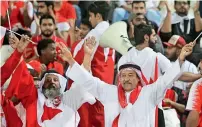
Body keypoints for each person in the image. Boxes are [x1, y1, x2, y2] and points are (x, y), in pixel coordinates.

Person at [57, 32, 195, 127]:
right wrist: (70, 60)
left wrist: (181, 58)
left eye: (130, 75)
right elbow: (88, 81)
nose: (126, 79)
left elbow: (167, 79)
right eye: (123, 75)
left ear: (138, 78)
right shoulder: (110, 92)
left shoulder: (149, 93)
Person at [2, 36, 96, 127]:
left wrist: (87, 55)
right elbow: (23, 73)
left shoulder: (68, 99)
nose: (52, 82)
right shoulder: (34, 98)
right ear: (42, 85)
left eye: (55, 80)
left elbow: (83, 81)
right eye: (48, 80)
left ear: (61, 85)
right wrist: (19, 52)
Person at [70, 1, 115, 126]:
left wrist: (75, 41)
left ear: (98, 16)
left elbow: (77, 57)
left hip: (93, 81)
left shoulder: (95, 33)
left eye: (91, 16)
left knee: (89, 120)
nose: (89, 19)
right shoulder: (112, 32)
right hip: (106, 80)